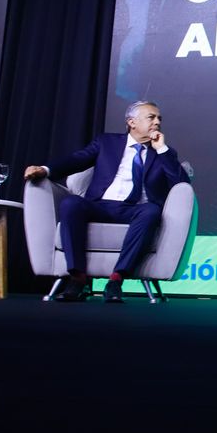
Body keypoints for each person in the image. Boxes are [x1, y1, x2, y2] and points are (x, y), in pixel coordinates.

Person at [24, 100, 189, 303]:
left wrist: (162, 149)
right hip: (100, 205)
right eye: (151, 117)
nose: (157, 122)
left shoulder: (164, 153)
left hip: (135, 210)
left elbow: (181, 184)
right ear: (131, 122)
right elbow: (78, 159)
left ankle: (116, 279)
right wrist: (45, 170)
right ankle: (77, 277)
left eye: (159, 119)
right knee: (71, 203)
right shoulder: (107, 142)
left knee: (152, 211)